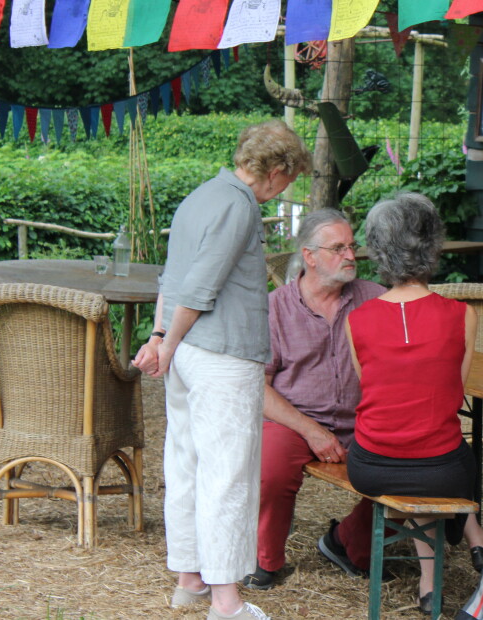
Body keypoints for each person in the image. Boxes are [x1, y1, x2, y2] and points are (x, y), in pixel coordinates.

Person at [133, 120, 311, 620]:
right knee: (228, 476)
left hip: (189, 353)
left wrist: (161, 337)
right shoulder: (239, 204)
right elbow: (200, 286)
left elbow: (172, 278)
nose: (284, 188)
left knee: (186, 463)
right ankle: (227, 602)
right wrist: (165, 343)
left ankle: (189, 579)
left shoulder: (201, 196)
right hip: (221, 356)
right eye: (288, 178)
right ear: (275, 172)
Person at [344, 193, 483, 615]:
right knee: (450, 458)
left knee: (417, 460)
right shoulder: (462, 314)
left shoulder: (357, 320)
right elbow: (452, 394)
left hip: (370, 466)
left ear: (378, 249)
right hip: (441, 470)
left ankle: (430, 587)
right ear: (433, 244)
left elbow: (374, 393)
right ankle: (477, 539)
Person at [238, 208, 387, 590]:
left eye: (352, 246)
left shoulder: (375, 299)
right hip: (295, 419)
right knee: (270, 465)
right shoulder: (275, 308)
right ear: (309, 255)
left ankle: (347, 542)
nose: (351, 256)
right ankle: (266, 559)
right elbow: (258, 387)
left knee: (414, 465)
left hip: (364, 420)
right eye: (338, 248)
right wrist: (312, 431)